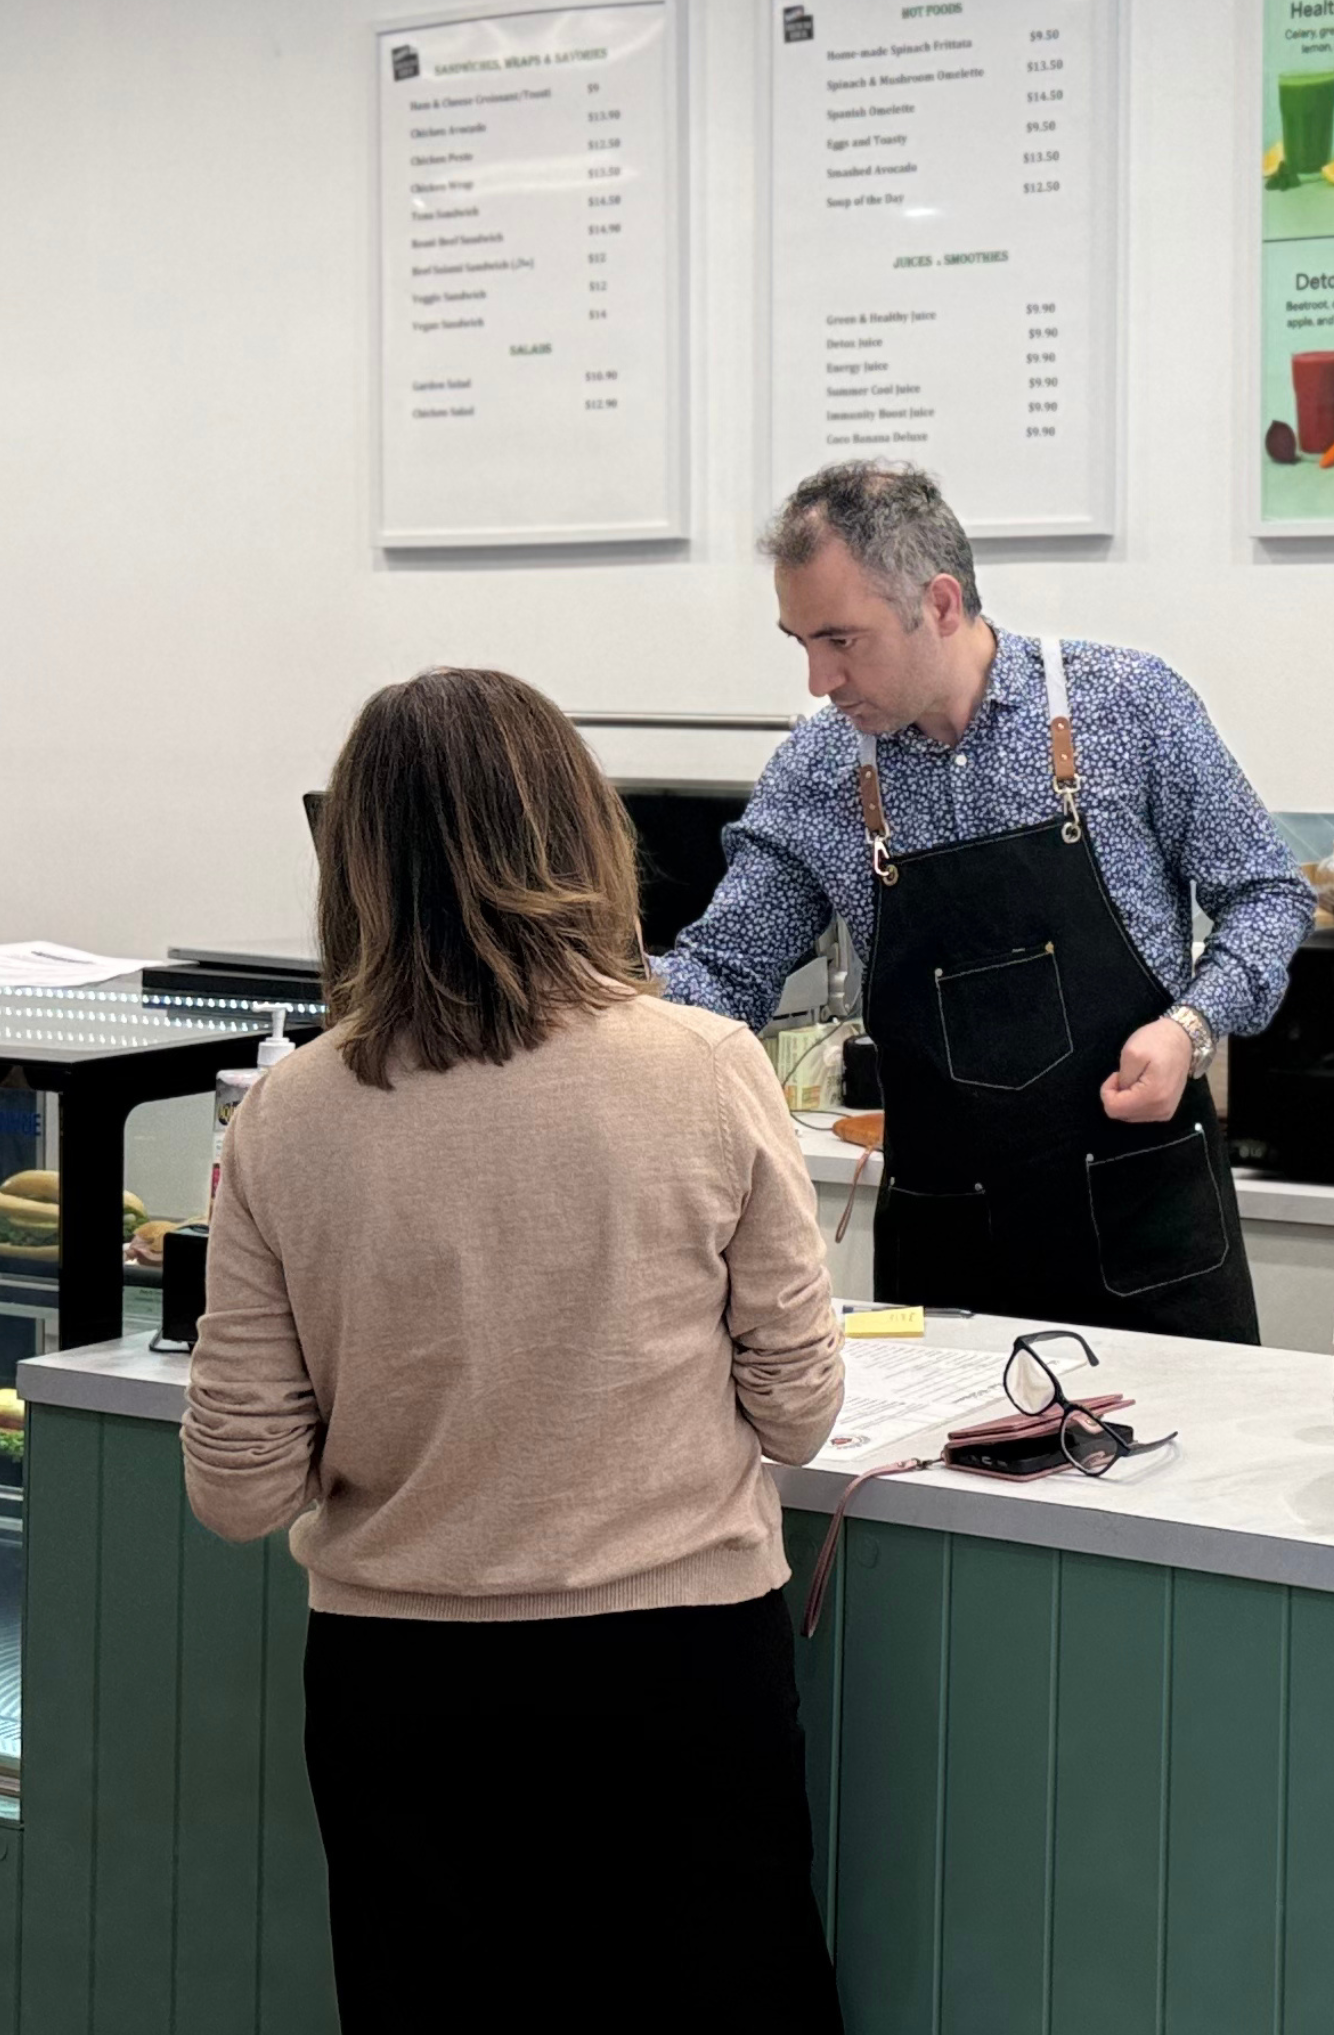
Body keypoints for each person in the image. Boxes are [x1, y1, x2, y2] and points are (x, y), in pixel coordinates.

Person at [183, 666, 845, 2033]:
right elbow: (799, 1414)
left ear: (355, 863)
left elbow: (236, 1491)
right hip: (678, 1673)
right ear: (580, 836)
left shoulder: (285, 1115)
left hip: (401, 1694)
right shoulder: (708, 1065)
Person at [658, 461, 1312, 1345]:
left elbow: (1268, 893)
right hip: (948, 1257)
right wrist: (571, 994)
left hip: (1151, 1241)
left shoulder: (1128, 706)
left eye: (842, 640)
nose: (819, 680)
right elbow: (721, 972)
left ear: (939, 603)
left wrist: (1190, 1029)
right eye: (800, 642)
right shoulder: (818, 775)